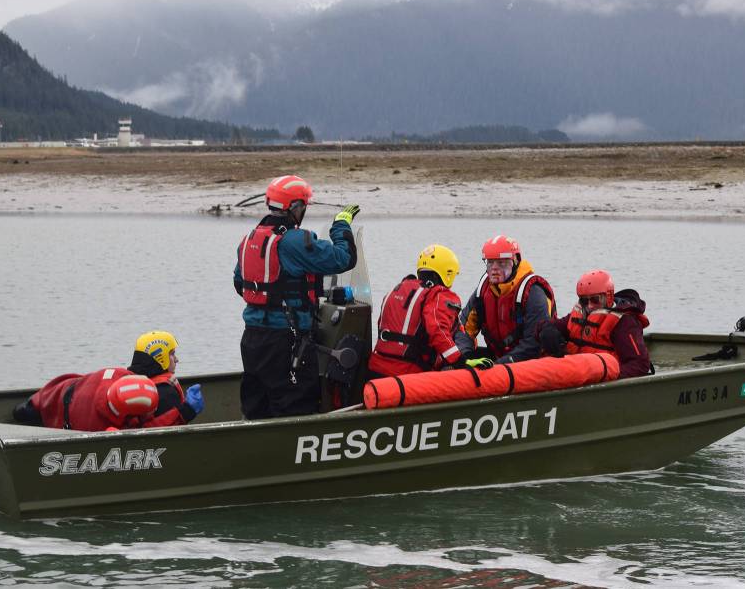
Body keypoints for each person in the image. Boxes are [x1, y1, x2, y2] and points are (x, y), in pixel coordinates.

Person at [234, 174, 359, 419]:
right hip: (287, 343)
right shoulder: (295, 242)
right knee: (295, 405)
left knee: (256, 406)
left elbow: (240, 283)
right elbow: (344, 259)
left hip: (252, 340)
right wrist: (341, 225)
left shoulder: (250, 240)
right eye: (303, 206)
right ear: (295, 208)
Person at [12, 330, 205, 430]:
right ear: (160, 356)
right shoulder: (156, 392)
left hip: (65, 395)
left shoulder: (115, 376)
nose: (177, 359)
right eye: (172, 354)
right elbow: (142, 435)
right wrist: (185, 411)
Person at [368, 244, 488, 377]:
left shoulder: (396, 290)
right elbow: (437, 330)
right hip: (408, 372)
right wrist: (460, 361)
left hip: (377, 368)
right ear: (447, 273)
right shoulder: (439, 296)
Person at [454, 234, 557, 364]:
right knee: (453, 357)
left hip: (532, 360)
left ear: (515, 262)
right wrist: (465, 357)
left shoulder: (533, 292)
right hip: (500, 356)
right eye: (490, 263)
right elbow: (464, 330)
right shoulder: (483, 291)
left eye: (501, 263)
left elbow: (533, 343)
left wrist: (501, 364)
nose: (494, 269)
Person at [539, 269, 653, 378]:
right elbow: (554, 325)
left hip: (602, 379)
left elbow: (640, 364)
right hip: (575, 374)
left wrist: (608, 377)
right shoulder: (581, 313)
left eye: (595, 300)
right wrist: (546, 329)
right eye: (584, 301)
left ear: (608, 297)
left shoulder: (624, 322)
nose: (589, 306)